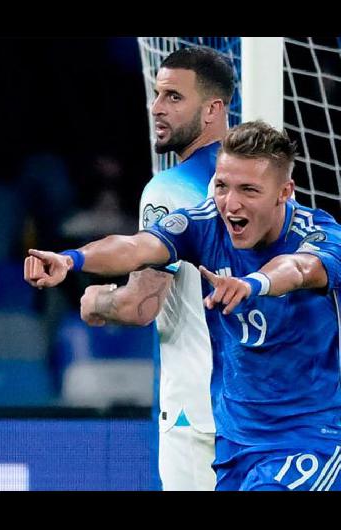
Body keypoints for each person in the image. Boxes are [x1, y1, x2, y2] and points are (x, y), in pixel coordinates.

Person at [25, 121, 341, 490]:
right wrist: (72, 260)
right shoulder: (204, 223)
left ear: (284, 192)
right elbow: (137, 247)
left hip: (308, 434)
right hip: (236, 440)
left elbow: (299, 269)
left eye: (248, 190)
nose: (230, 203)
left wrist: (253, 284)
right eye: (221, 186)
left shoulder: (323, 237)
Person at [60, 46, 235, 491]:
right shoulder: (264, 183)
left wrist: (98, 300)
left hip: (197, 416)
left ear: (214, 108)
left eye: (174, 97)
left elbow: (142, 303)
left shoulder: (168, 188)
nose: (156, 107)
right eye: (157, 95)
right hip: (264, 411)